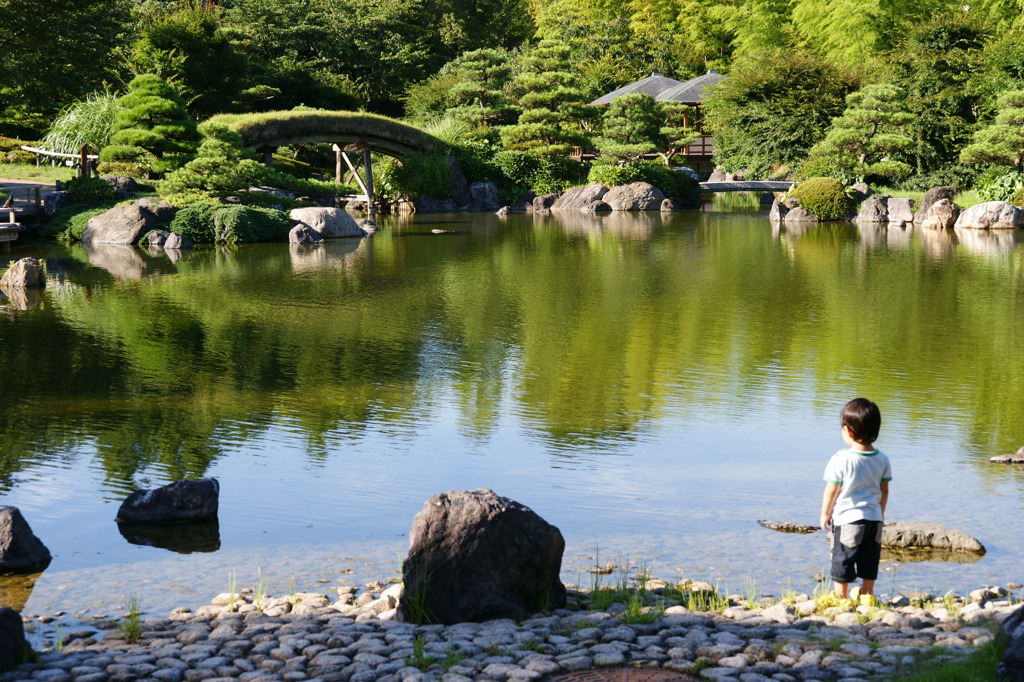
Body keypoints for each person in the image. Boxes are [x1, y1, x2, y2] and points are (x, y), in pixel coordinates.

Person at [819, 398, 892, 607]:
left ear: (848, 431)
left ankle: (841, 596)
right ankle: (867, 594)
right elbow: (884, 490)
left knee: (843, 557)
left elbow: (832, 489)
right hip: (874, 519)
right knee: (869, 558)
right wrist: (880, 513)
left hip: (848, 519)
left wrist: (825, 513)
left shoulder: (841, 458)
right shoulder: (882, 459)